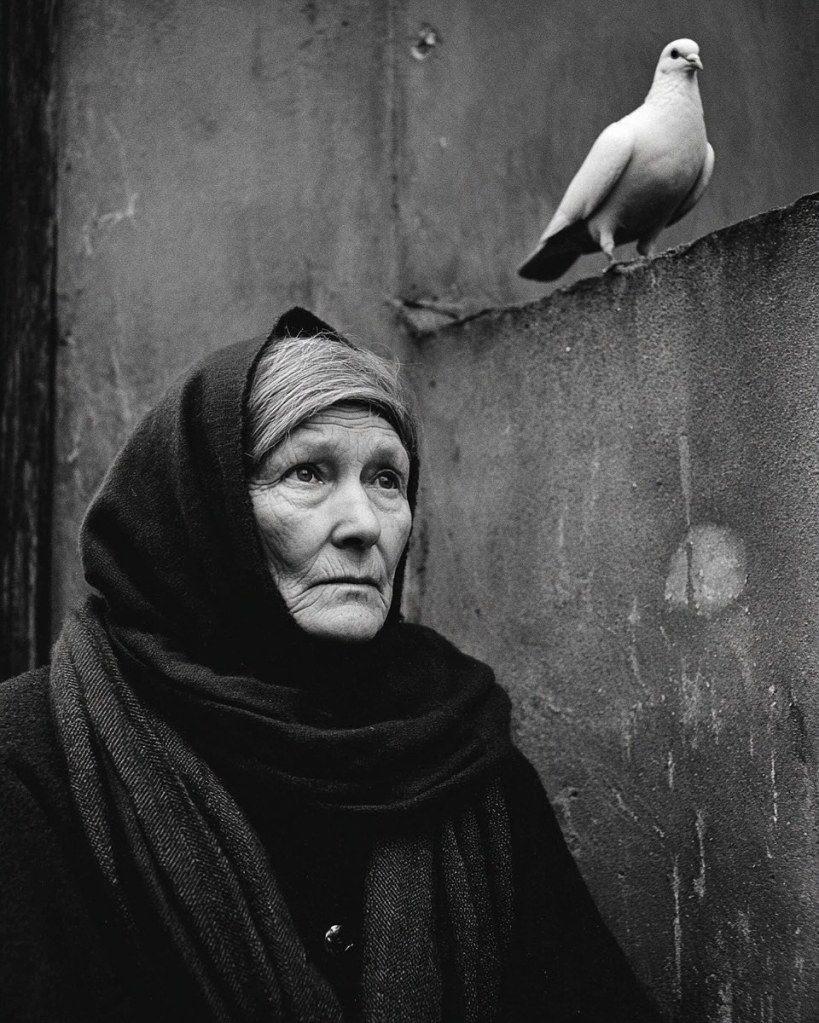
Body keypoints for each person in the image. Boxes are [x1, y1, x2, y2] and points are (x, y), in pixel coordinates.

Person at [0, 307, 660, 1022]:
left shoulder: (463, 755)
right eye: (308, 472)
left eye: (386, 479)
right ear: (205, 508)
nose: (365, 524)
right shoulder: (31, 756)